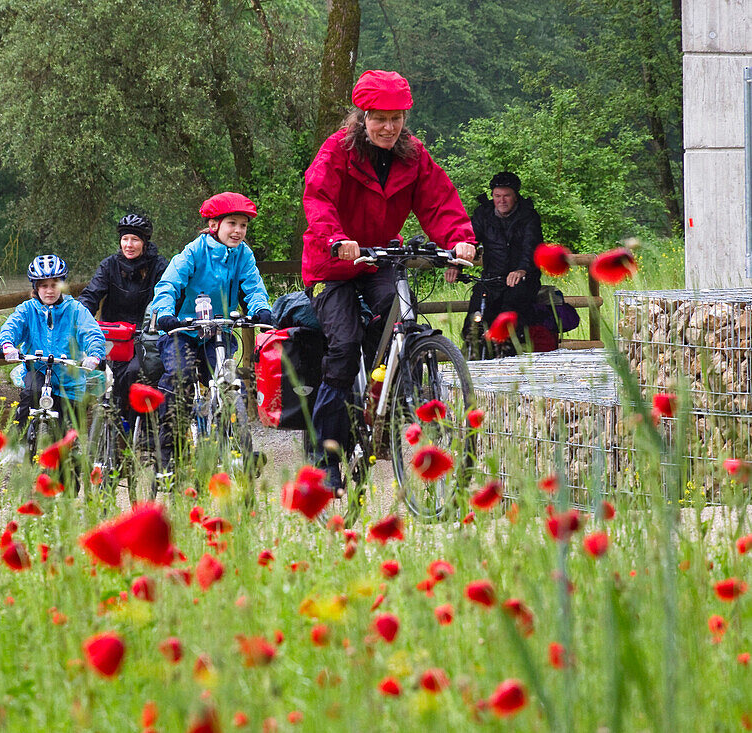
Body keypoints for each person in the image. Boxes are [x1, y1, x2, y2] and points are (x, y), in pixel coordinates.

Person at [301, 70, 477, 492]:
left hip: (381, 255)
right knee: (343, 345)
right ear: (362, 116)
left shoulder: (413, 155)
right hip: (334, 264)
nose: (388, 127)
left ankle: (390, 402)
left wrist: (461, 240)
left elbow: (439, 200)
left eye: (396, 118)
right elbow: (318, 197)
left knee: (401, 321)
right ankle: (323, 455)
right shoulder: (337, 152)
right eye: (379, 118)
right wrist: (337, 239)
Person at [148, 192, 273, 466]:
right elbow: (169, 284)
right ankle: (167, 454)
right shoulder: (194, 251)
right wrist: (166, 313)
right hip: (182, 330)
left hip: (219, 330)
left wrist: (261, 308)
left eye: (243, 225)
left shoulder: (243, 254)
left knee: (229, 381)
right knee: (179, 377)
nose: (238, 231)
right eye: (232, 223)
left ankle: (241, 446)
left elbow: (253, 286)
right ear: (214, 225)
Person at [0, 254, 106, 444]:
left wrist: (95, 354)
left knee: (69, 433)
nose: (49, 291)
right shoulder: (27, 309)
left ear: (62, 285)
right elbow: (12, 326)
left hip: (69, 377)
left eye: (54, 285)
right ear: (36, 288)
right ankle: (16, 445)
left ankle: (71, 463)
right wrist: (7, 344)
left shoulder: (76, 310)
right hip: (36, 369)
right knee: (29, 396)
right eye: (43, 286)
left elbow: (91, 332)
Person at [78, 213, 168, 420]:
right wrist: (81, 315)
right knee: (92, 374)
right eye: (125, 239)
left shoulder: (159, 266)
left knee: (135, 373)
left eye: (135, 239)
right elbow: (92, 293)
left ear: (144, 243)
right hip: (112, 334)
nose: (129, 244)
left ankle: (138, 425)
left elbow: (166, 297)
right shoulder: (110, 265)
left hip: (144, 334)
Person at [450, 171, 543, 352]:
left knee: (509, 315)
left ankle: (508, 355)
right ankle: (472, 354)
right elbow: (470, 241)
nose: (502, 200)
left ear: (515, 196)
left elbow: (532, 247)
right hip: (491, 278)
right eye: (497, 196)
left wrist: (522, 270)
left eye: (507, 195)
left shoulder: (529, 216)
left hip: (521, 280)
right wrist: (456, 265)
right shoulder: (483, 214)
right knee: (476, 316)